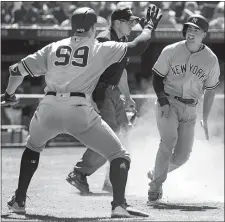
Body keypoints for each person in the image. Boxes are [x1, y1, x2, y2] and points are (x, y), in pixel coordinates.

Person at [2, 6, 162, 218]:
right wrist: (149, 26)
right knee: (119, 155)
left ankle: (19, 201)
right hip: (78, 108)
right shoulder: (98, 46)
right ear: (94, 28)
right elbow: (137, 46)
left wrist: (9, 94)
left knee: (32, 147)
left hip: (48, 107)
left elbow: (15, 69)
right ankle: (118, 206)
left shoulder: (53, 47)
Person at [147, 14, 220, 204]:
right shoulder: (171, 50)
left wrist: (205, 117)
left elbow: (211, 90)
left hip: (191, 109)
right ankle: (155, 187)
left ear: (204, 34)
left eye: (196, 30)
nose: (191, 32)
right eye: (189, 28)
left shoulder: (211, 59)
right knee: (168, 140)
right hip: (169, 102)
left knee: (182, 157)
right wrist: (162, 100)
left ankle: (156, 172)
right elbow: (157, 77)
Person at [66, 6, 140, 194]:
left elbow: (121, 72)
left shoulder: (122, 39)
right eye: (129, 21)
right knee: (110, 136)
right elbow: (89, 71)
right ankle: (79, 172)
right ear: (117, 22)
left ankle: (111, 180)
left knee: (125, 134)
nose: (133, 25)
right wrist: (90, 97)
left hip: (114, 93)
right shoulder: (104, 39)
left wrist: (128, 97)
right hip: (100, 92)